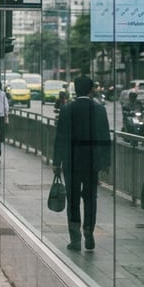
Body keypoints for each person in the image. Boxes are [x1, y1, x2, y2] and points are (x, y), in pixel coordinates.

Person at [52, 76, 112, 252]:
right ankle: (89, 231)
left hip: (71, 160)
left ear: (75, 89)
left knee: (73, 199)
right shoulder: (99, 110)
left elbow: (60, 138)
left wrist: (56, 161)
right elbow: (104, 136)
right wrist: (106, 160)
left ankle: (75, 238)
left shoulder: (67, 109)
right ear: (91, 90)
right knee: (90, 198)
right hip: (92, 161)